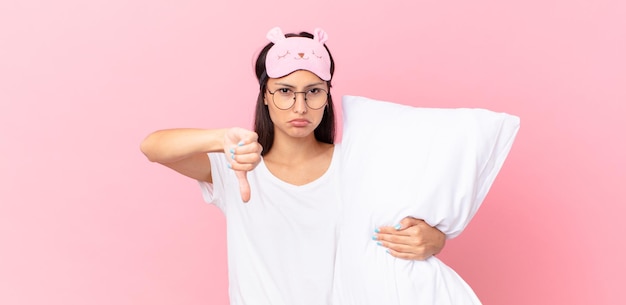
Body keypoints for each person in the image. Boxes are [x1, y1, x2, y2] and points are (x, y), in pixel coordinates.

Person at [140, 27, 446, 305]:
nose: (300, 107)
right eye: (285, 91)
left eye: (313, 91)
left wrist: (434, 240)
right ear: (265, 97)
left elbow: (402, 230)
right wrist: (221, 139)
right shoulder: (237, 165)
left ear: (327, 98)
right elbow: (153, 147)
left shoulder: (355, 164)